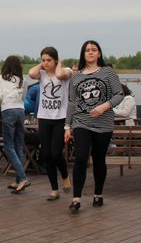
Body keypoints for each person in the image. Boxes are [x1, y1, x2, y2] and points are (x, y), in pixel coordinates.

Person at [63, 40, 125, 212]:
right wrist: (67, 126)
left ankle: (98, 194)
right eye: (87, 50)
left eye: (94, 50)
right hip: (81, 122)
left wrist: (104, 106)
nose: (90, 52)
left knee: (98, 159)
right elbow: (71, 102)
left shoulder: (108, 72)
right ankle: (76, 199)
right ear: (83, 54)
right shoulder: (76, 76)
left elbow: (120, 94)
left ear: (99, 54)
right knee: (81, 158)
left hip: (103, 123)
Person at [28, 47, 73, 201]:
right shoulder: (41, 74)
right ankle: (54, 189)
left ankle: (65, 177)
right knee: (46, 154)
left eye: (48, 60)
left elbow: (60, 75)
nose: (45, 63)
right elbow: (30, 73)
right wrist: (42, 65)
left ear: (55, 60)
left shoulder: (65, 71)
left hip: (61, 118)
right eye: (43, 60)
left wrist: (58, 64)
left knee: (56, 153)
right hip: (45, 118)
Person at [0, 55, 30, 193]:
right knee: (18, 146)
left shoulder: (1, 78)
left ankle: (23, 178)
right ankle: (18, 181)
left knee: (9, 147)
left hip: (8, 110)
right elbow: (24, 97)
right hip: (20, 110)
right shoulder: (22, 79)